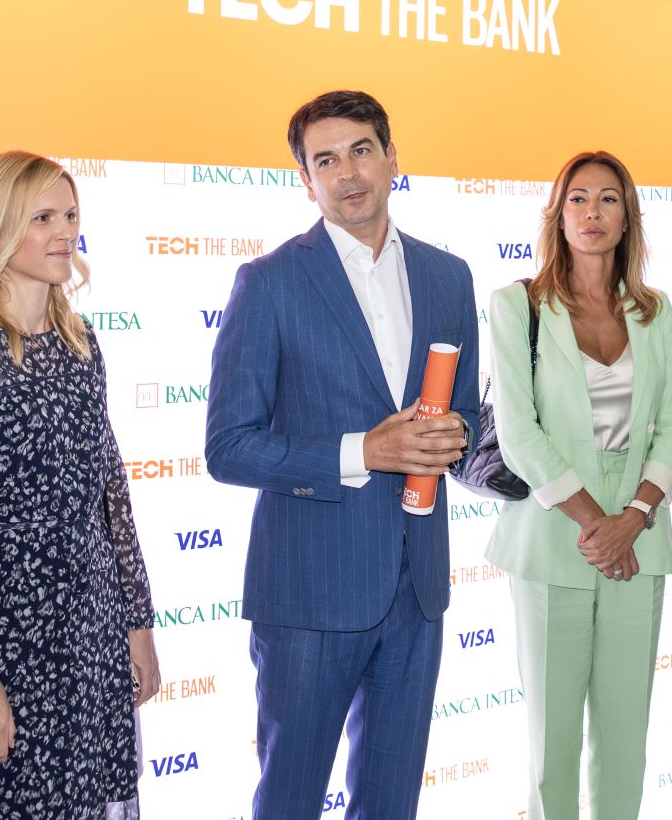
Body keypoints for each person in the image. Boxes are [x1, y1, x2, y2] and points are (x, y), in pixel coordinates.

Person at [205, 90, 480, 820]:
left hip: (416, 588)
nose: (347, 173)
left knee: (390, 806)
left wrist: (453, 436)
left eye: (360, 150)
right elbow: (228, 447)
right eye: (324, 160)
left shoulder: (448, 277)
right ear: (305, 180)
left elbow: (464, 417)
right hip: (308, 594)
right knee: (290, 803)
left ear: (392, 158)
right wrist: (367, 450)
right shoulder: (268, 283)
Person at [0, 151, 158, 819]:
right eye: (42, 217)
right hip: (4, 642)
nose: (64, 232)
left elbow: (111, 495)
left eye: (70, 215)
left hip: (90, 633)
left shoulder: (80, 343)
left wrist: (138, 624)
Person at [485, 150, 672, 820]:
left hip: (639, 536)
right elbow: (518, 432)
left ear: (627, 217)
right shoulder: (517, 305)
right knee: (553, 743)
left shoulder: (654, 311)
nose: (592, 212)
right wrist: (598, 526)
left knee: (626, 739)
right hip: (553, 535)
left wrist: (632, 518)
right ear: (557, 213)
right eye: (578, 198)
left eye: (607, 199)